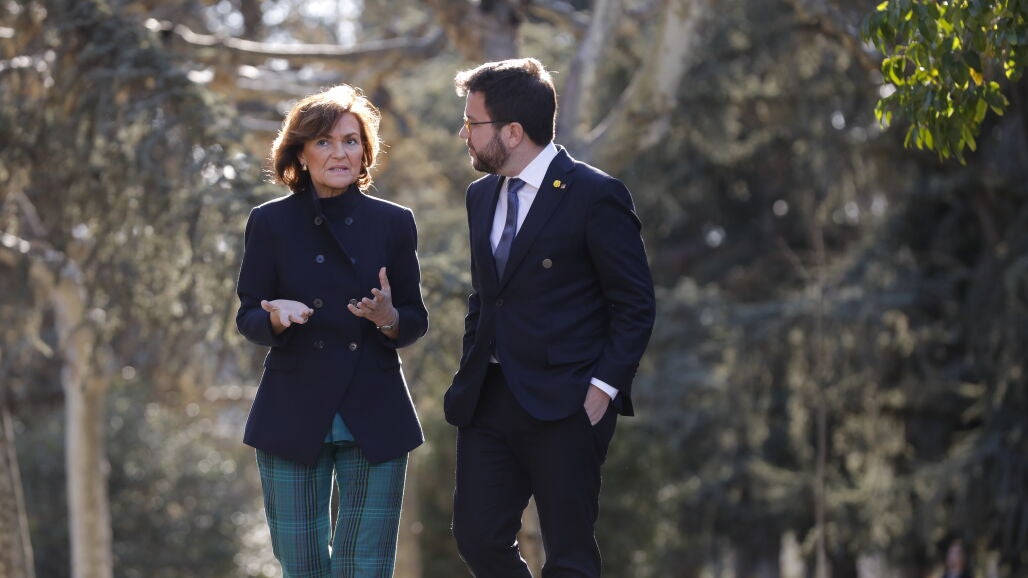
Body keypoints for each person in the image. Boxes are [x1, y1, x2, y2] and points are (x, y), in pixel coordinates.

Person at [445, 58, 657, 578]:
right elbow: (486, 297)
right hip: (488, 399)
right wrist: (471, 365)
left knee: (569, 557)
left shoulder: (595, 195)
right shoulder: (480, 196)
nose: (464, 134)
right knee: (477, 537)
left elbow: (634, 303)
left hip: (568, 401)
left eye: (472, 123)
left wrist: (602, 389)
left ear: (513, 132)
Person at [235, 84, 428, 578]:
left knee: (365, 566)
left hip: (375, 407)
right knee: (300, 564)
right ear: (300, 153)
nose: (339, 152)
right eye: (323, 141)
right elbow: (248, 316)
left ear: (365, 151)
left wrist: (387, 317)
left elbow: (414, 319)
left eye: (350, 140)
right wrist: (275, 316)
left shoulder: (394, 222)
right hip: (293, 407)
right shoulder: (269, 222)